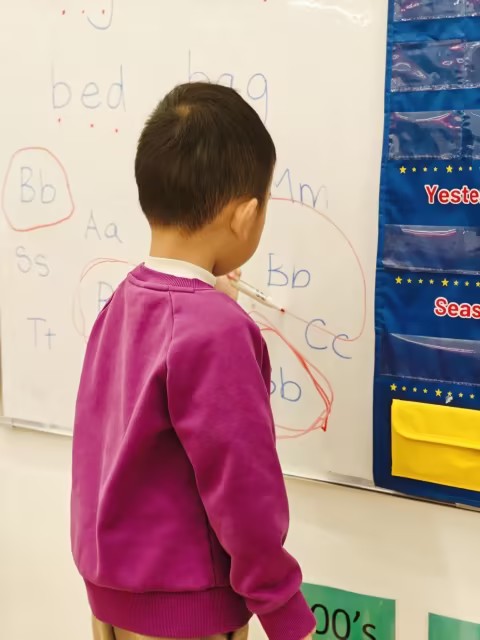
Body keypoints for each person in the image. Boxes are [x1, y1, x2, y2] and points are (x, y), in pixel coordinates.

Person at [71, 82, 316, 640]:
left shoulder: (122, 302)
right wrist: (283, 612)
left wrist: (212, 302)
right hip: (187, 612)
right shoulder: (217, 331)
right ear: (246, 216)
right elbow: (242, 488)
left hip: (112, 598)